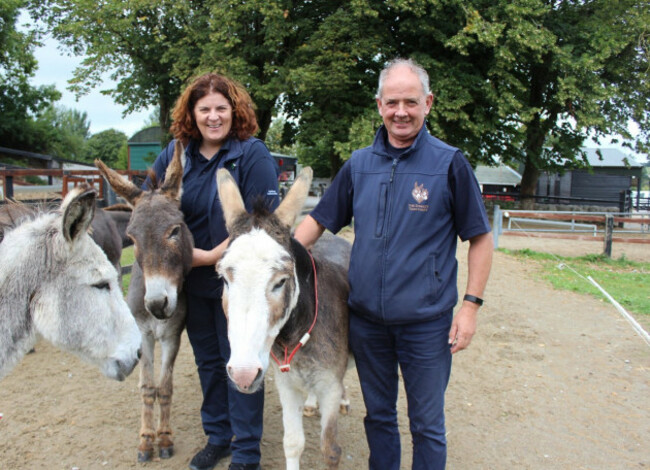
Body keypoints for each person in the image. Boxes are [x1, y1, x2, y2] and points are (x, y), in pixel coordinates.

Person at [293, 58, 493, 469]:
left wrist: (470, 307)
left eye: (411, 102)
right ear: (379, 105)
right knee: (379, 417)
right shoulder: (359, 164)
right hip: (367, 322)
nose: (401, 111)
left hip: (427, 323)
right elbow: (318, 221)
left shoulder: (449, 164)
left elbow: (480, 237)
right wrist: (275, 255)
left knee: (426, 424)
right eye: (393, 102)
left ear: (428, 103)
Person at [150, 72, 280, 470]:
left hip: (240, 287)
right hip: (193, 284)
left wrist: (207, 257)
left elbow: (261, 222)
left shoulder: (251, 153)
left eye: (221, 108)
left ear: (234, 110)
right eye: (204, 108)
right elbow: (153, 207)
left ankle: (246, 451)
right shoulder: (177, 153)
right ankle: (219, 436)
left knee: (241, 359)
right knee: (209, 361)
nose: (213, 117)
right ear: (191, 112)